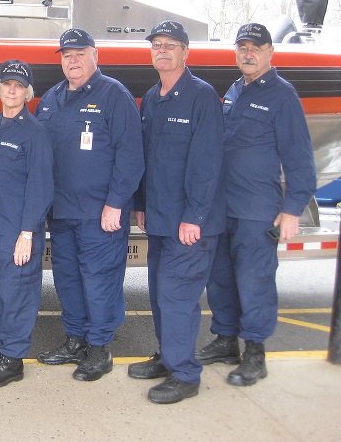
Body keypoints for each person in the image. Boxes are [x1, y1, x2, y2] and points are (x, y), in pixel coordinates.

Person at [196, 23, 316, 386]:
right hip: (222, 206)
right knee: (221, 280)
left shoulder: (282, 95)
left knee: (254, 281)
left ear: (269, 53)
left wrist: (293, 207)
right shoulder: (234, 90)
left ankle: (255, 354)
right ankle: (225, 340)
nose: (248, 53)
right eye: (243, 47)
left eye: (256, 48)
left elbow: (299, 156)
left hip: (256, 208)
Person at [35, 29, 144, 382]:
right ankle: (75, 340)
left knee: (99, 282)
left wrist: (116, 203)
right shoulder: (50, 99)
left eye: (80, 53)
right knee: (68, 280)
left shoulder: (114, 95)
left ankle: (99, 349)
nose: (72, 60)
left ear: (95, 55)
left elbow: (131, 155)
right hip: (62, 213)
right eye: (66, 55)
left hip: (101, 214)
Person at [128, 20, 225, 404]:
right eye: (157, 45)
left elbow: (208, 163)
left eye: (171, 45)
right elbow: (147, 159)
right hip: (160, 218)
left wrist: (195, 217)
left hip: (189, 224)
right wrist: (141, 206)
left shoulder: (202, 97)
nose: (162, 51)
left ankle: (185, 374)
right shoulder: (152, 97)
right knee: (158, 294)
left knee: (177, 297)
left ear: (186, 52)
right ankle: (169, 357)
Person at [0, 60, 52, 388]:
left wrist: (27, 233)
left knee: (17, 293)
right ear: (0, 88)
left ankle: (14, 358)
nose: (12, 89)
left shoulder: (34, 133)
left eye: (19, 85)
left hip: (16, 232)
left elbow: (41, 186)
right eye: (7, 84)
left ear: (28, 92)